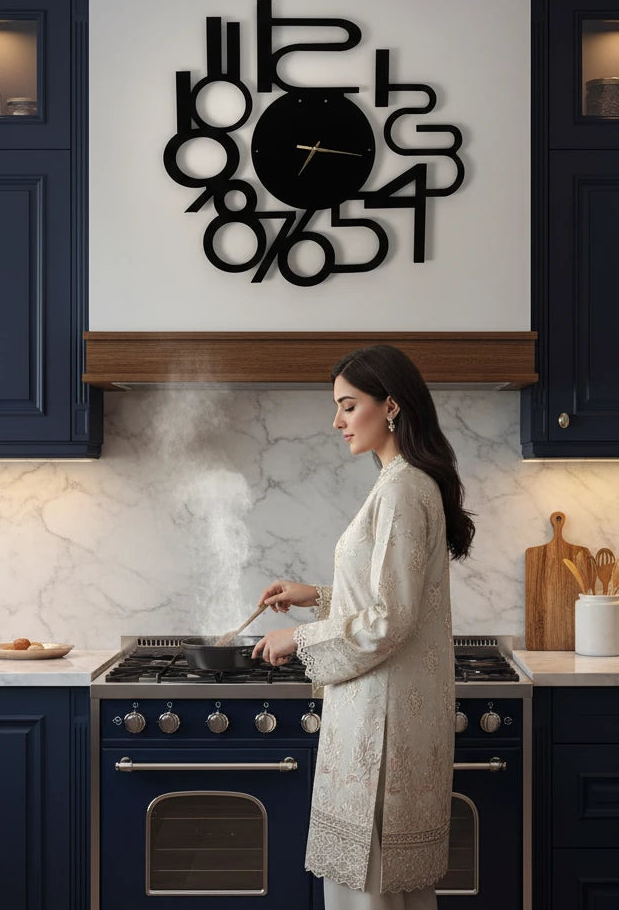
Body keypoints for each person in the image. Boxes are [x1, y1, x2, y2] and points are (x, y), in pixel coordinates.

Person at [251, 344, 475, 910]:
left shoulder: (401, 489)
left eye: (348, 406)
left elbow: (391, 619)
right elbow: (394, 601)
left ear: (391, 405)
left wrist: (296, 639)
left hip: (381, 718)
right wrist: (317, 597)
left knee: (368, 891)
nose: (337, 421)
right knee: (392, 889)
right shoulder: (402, 482)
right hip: (386, 708)